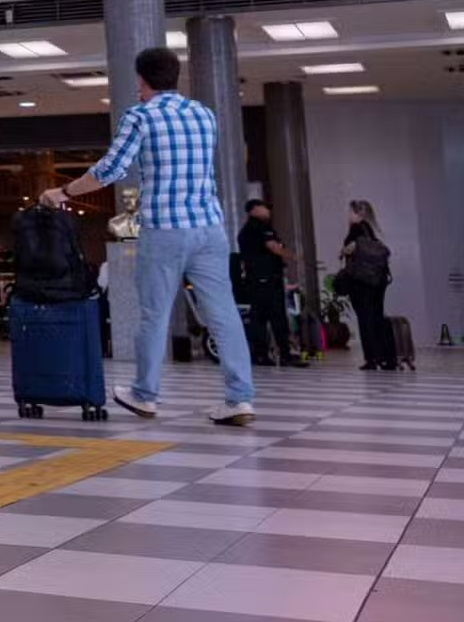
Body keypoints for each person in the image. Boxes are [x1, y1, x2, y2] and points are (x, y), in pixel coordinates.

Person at [41, 46, 254, 425]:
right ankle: (240, 399)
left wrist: (65, 192)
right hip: (209, 228)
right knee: (223, 313)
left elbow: (110, 170)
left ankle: (144, 394)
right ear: (175, 76)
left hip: (165, 229)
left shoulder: (140, 116)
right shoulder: (204, 114)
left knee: (154, 315)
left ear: (141, 79)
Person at [236, 199, 303, 367]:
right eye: (264, 207)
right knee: (277, 317)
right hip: (267, 279)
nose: (268, 211)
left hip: (254, 280)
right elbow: (273, 246)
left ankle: (261, 355)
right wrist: (292, 256)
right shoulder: (261, 227)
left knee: (258, 319)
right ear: (255, 210)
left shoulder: (244, 231)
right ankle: (285, 355)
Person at [339, 200, 396, 372]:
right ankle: (388, 357)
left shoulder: (356, 228)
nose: (348, 216)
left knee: (365, 319)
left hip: (362, 281)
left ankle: (372, 358)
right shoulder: (372, 230)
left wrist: (342, 252)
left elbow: (351, 248)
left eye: (350, 212)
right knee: (377, 317)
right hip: (378, 280)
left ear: (358, 214)